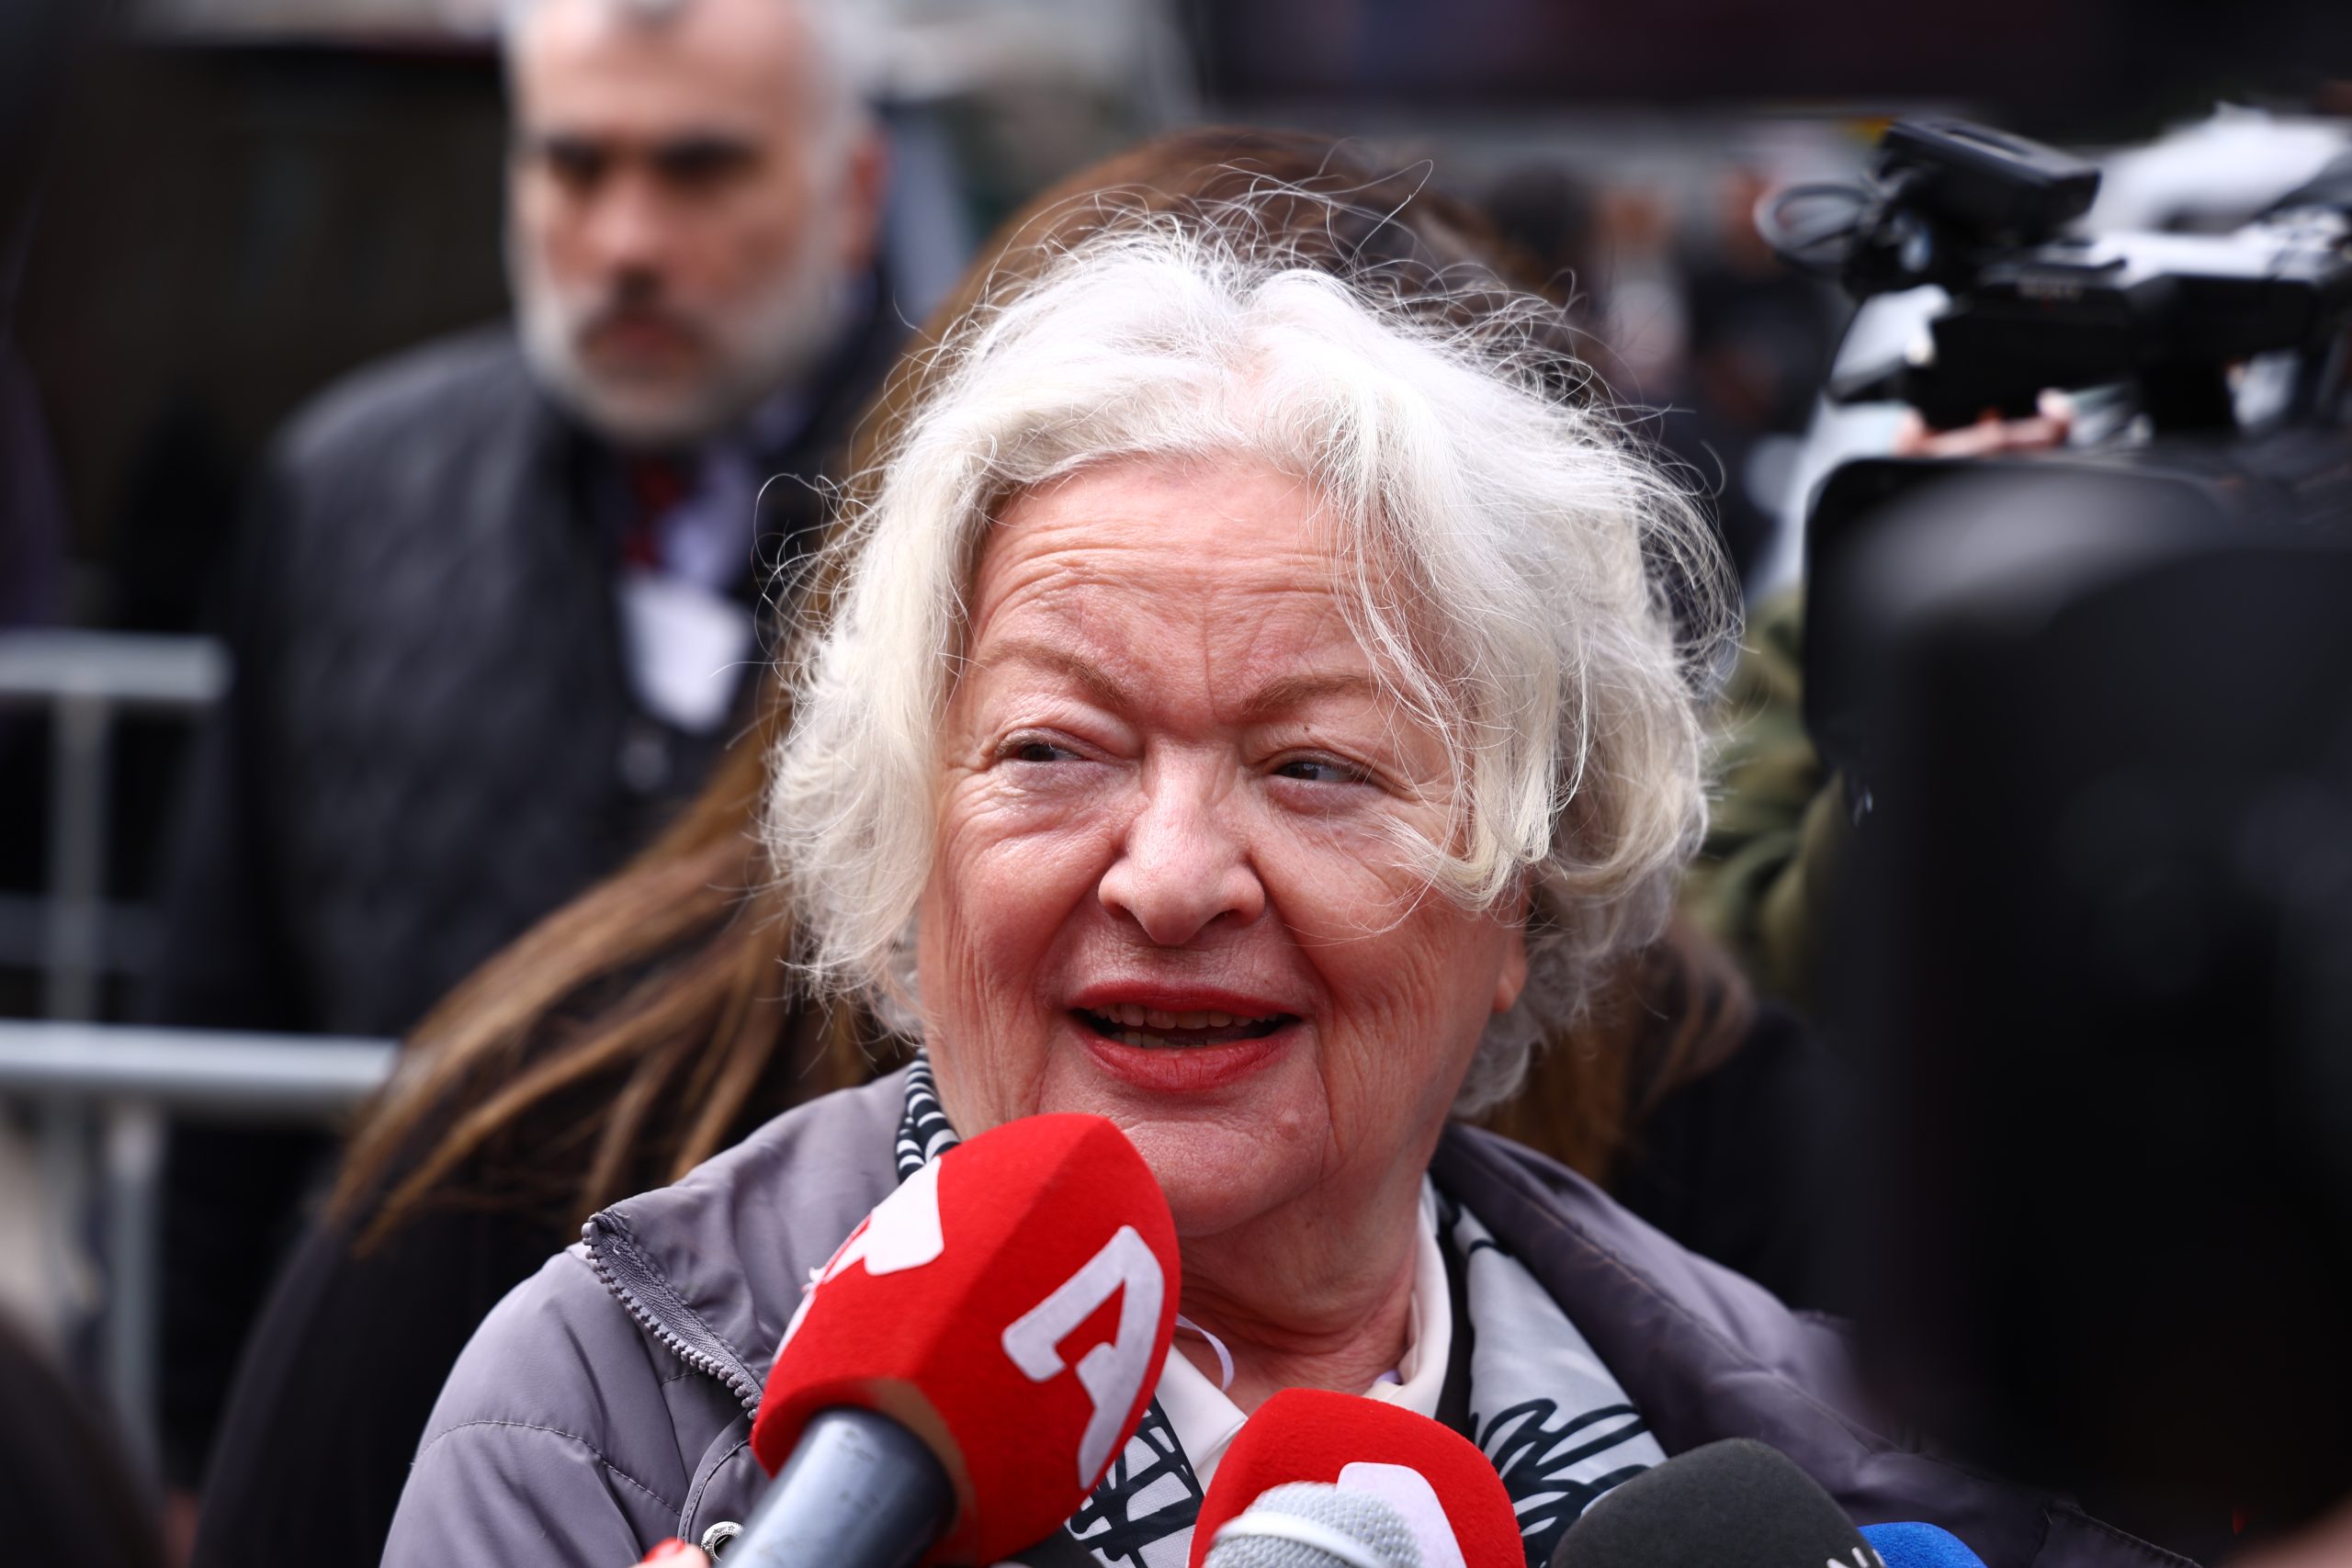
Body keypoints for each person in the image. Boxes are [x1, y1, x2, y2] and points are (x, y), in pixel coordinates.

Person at [379, 207, 2165, 1568]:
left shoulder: (1827, 1465)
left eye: (1314, 768)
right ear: (912, 839)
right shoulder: (604, 1419)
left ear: (1523, 894)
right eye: (1053, 750)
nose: (1168, 879)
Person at [151, 0, 898, 1501]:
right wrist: (193, 1455)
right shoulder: (348, 495)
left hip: (832, 1444)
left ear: (853, 194)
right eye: (574, 164)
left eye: (700, 168)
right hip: (398, 1428)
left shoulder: (984, 511)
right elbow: (226, 1024)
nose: (626, 239)